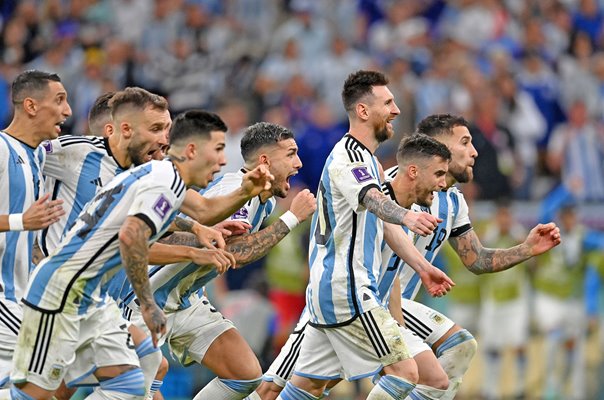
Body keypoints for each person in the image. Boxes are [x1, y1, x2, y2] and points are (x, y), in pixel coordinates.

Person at [6, 109, 273, 400]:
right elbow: (133, 238)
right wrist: (149, 300)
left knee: (142, 372)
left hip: (92, 296)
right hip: (65, 291)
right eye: (218, 150)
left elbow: (202, 211)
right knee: (46, 393)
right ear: (193, 150)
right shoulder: (159, 176)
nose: (223, 161)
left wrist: (240, 196)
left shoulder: (151, 175)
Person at [276, 70, 453, 400]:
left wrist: (421, 266)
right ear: (363, 111)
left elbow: (385, 226)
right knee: (405, 372)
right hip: (348, 288)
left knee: (303, 387)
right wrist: (408, 215)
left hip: (331, 290)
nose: (396, 110)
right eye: (388, 102)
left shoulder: (370, 161)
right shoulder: (349, 157)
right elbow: (373, 200)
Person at [114, 121, 317, 400]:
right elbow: (235, 253)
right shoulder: (237, 193)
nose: (299, 163)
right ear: (265, 161)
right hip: (145, 298)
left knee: (244, 373)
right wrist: (292, 218)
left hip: (185, 300)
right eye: (291, 154)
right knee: (130, 390)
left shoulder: (263, 201)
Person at [387, 113, 561, 400]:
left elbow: (476, 259)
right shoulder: (395, 185)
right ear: (437, 147)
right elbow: (376, 257)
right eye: (465, 142)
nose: (475, 151)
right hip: (369, 300)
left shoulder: (453, 202)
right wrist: (396, 328)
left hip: (396, 303)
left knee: (459, 347)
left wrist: (527, 249)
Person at [0, 70, 68, 388]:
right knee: (55, 365)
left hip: (23, 294)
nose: (67, 111)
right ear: (30, 105)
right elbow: (24, 222)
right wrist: (20, 222)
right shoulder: (1, 148)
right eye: (59, 100)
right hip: (3, 296)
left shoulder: (39, 154)